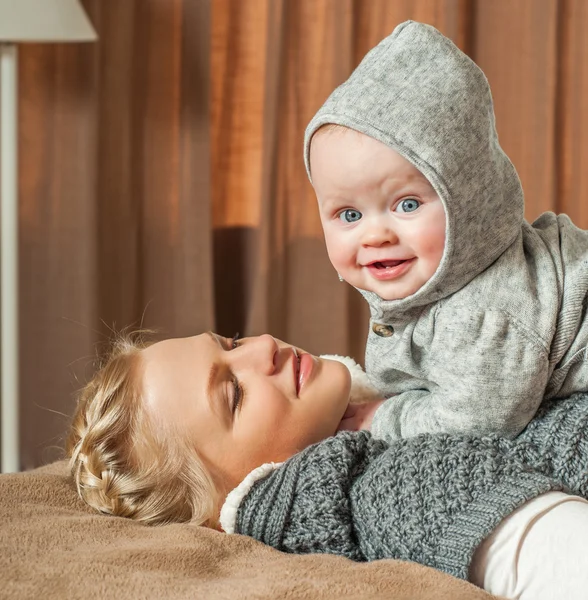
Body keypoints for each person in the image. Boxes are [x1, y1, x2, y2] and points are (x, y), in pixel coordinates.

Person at [68, 331, 588, 600]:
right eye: (234, 393)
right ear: (234, 498)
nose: (264, 350)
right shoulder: (400, 489)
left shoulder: (405, 391)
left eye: (231, 343)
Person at [304, 20, 588, 441]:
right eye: (349, 215)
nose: (375, 235)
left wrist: (381, 419)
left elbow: (478, 423)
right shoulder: (430, 283)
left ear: (469, 203)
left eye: (408, 205)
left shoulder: (482, 314)